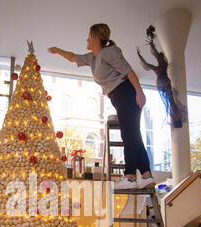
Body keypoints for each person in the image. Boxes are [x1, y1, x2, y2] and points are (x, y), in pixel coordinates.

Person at [48, 23, 155, 189]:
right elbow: (72, 57)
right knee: (133, 134)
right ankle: (146, 175)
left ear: (96, 38)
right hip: (117, 96)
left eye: (89, 36)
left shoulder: (109, 52)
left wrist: (139, 91)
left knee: (129, 135)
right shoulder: (93, 58)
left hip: (126, 92)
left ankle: (130, 176)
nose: (87, 39)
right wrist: (57, 50)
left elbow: (128, 71)